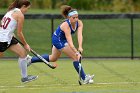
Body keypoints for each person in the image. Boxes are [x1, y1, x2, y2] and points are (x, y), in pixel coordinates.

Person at [29, 5, 94, 84]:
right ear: (69, 18)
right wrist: (76, 52)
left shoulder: (79, 23)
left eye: (77, 17)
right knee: (75, 57)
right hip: (58, 40)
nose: (76, 19)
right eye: (74, 18)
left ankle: (30, 60)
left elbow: (80, 35)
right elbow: (70, 41)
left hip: (63, 39)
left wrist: (80, 47)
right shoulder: (65, 25)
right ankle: (84, 78)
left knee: (53, 58)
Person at [0, 0, 38, 83]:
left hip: (7, 37)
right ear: (23, 6)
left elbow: (2, 23)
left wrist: (10, 32)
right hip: (3, 40)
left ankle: (24, 78)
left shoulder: (11, 11)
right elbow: (19, 33)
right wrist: (26, 44)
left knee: (23, 54)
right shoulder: (20, 15)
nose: (27, 10)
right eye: (27, 8)